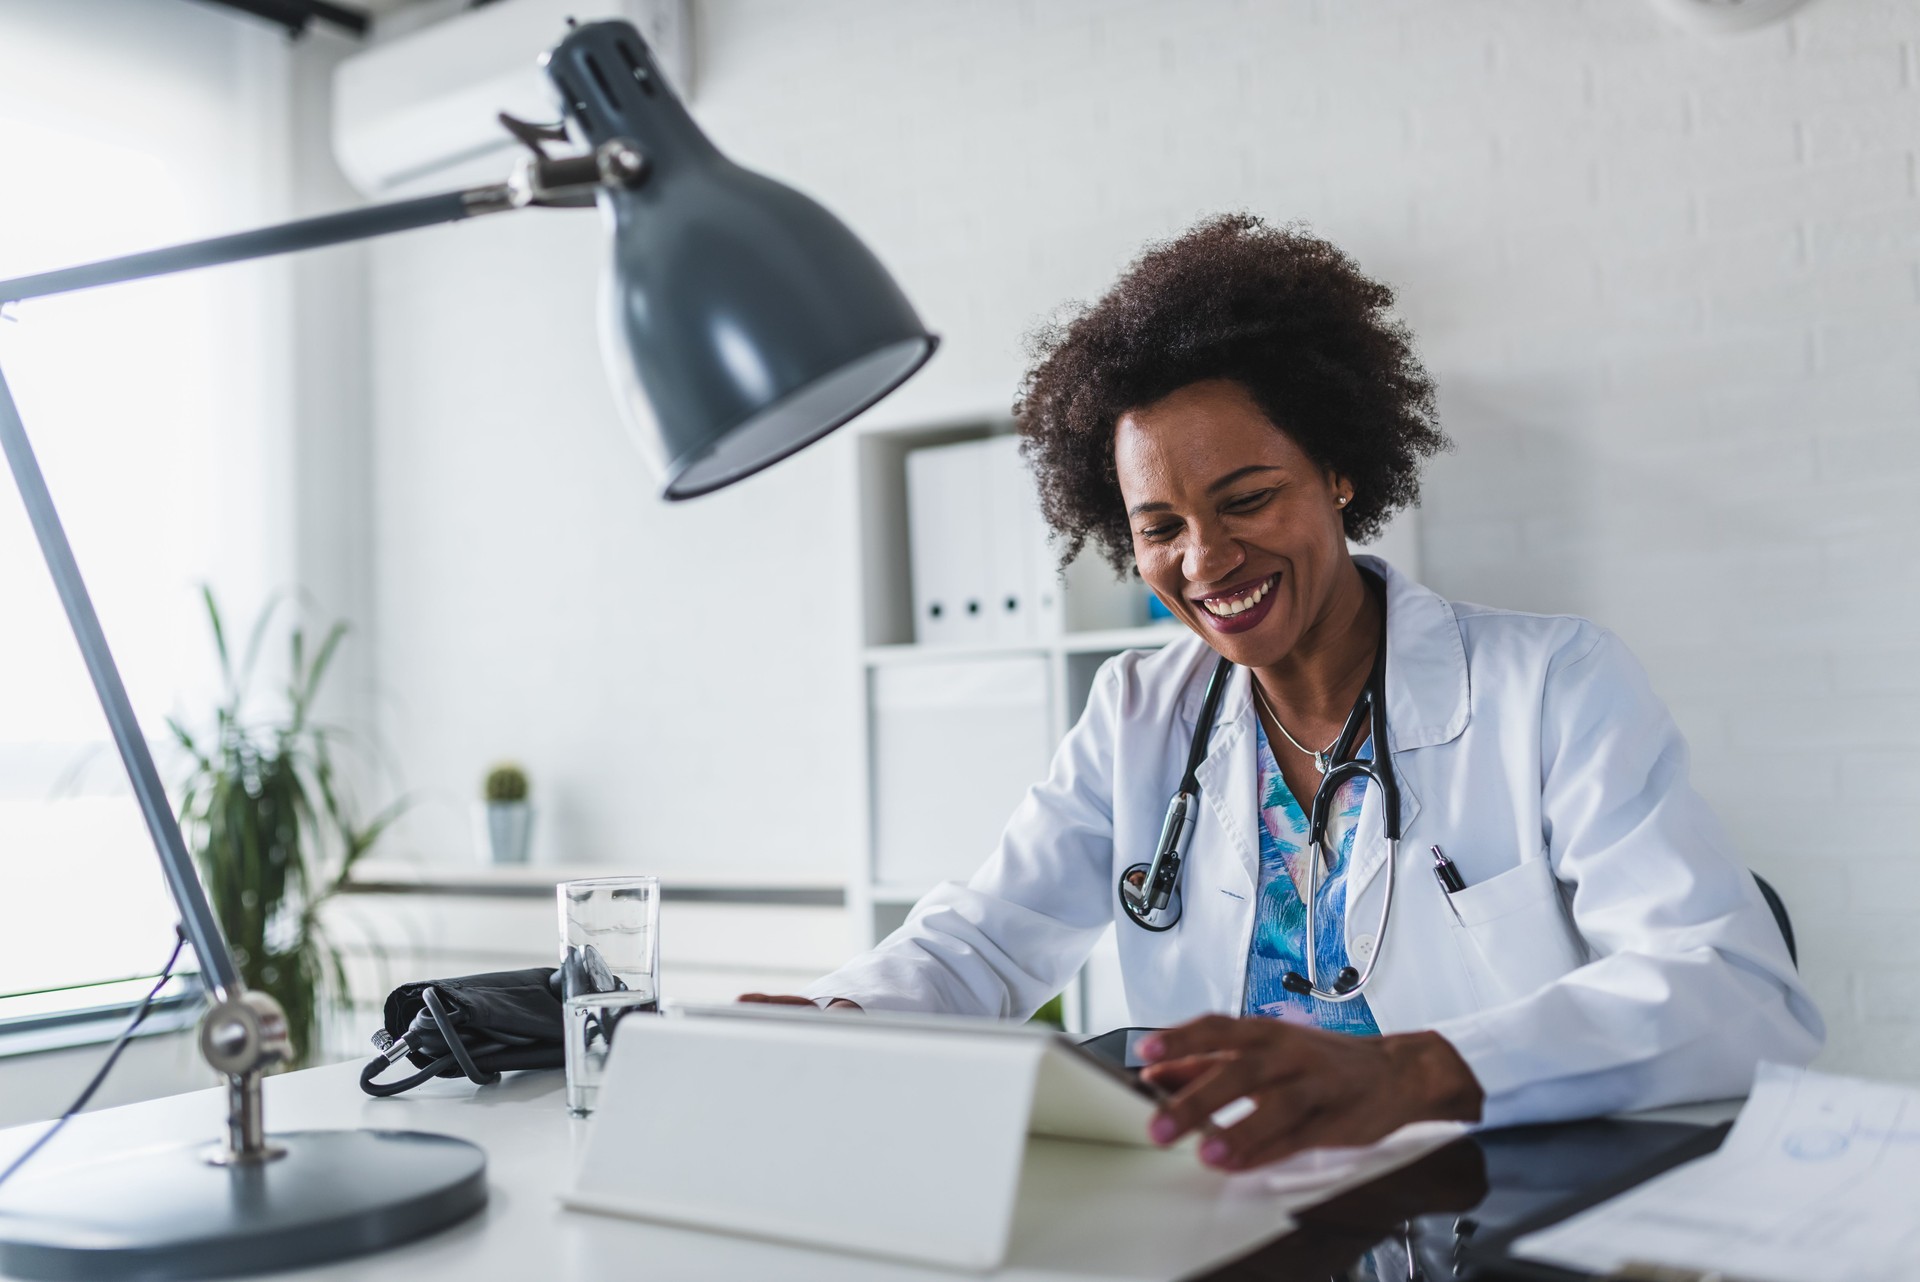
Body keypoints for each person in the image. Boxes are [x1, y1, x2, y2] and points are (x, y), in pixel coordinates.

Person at [742, 214, 1822, 1172]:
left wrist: (1417, 1070)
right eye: (1159, 526)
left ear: (1339, 471)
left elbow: (1737, 993)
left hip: (1486, 1207)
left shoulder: (1552, 686)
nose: (1205, 559)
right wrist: (839, 1016)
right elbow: (982, 937)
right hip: (1238, 1216)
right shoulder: (1138, 711)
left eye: (1246, 497)